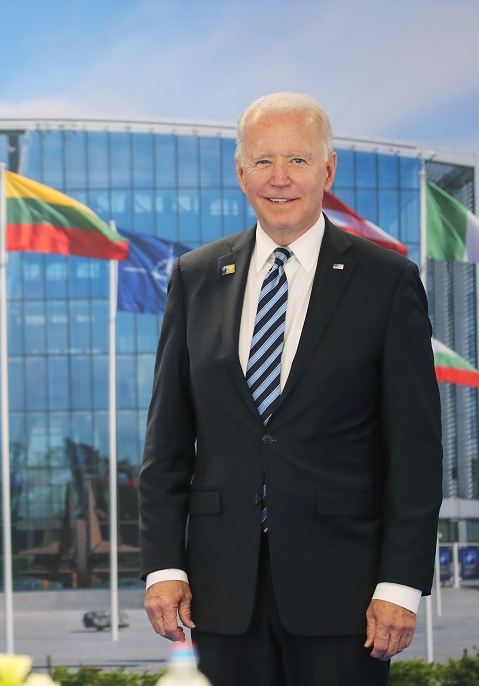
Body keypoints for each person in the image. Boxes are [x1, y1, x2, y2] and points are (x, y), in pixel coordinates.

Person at [137, 92, 443, 685]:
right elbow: (166, 444)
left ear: (327, 170)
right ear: (240, 171)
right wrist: (163, 567)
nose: (280, 179)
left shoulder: (387, 281)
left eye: (298, 161)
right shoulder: (196, 277)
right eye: (264, 161)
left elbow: (415, 452)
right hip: (221, 594)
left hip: (348, 596)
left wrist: (400, 584)